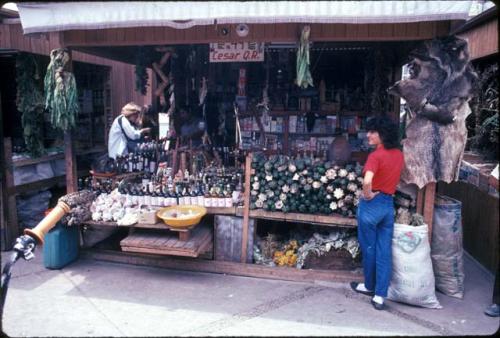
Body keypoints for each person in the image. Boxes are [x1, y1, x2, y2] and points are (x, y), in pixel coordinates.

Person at [350, 116, 404, 310]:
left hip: (372, 205)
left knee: (369, 248)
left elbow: (367, 181)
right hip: (388, 205)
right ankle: (380, 296)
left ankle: (369, 285)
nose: (369, 135)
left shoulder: (375, 156)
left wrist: (368, 194)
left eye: (373, 132)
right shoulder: (398, 154)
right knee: (384, 251)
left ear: (383, 134)